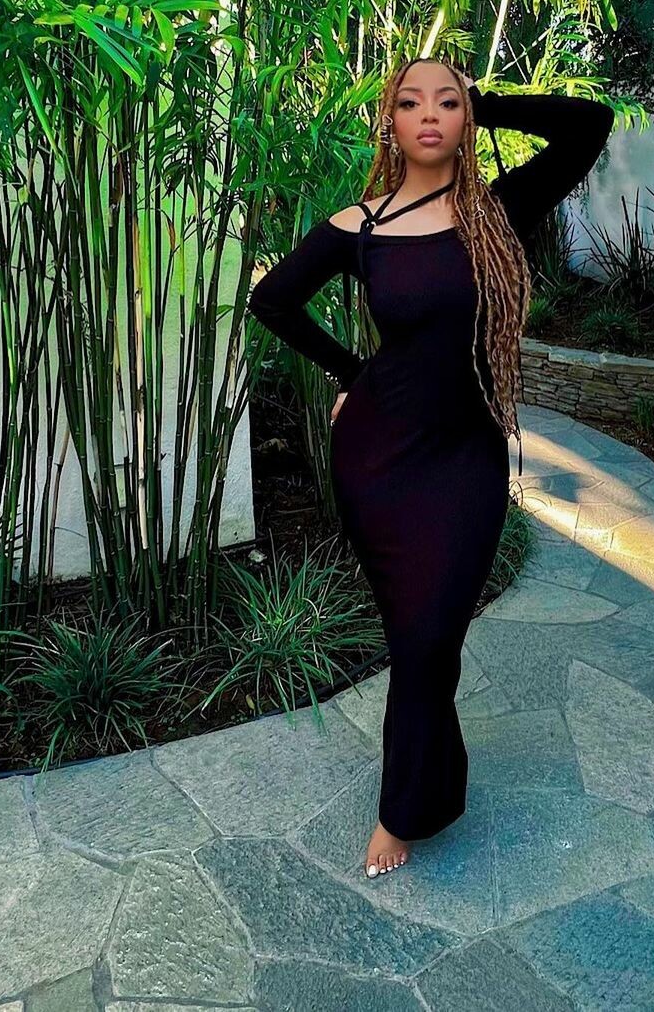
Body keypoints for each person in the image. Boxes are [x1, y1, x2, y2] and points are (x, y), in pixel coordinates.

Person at [248, 56, 616, 880]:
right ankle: (414, 799)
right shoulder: (360, 226)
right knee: (418, 640)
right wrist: (353, 374)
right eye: (410, 101)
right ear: (390, 120)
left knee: (432, 636)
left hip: (466, 458)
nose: (429, 114)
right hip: (378, 457)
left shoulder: (497, 212)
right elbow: (271, 301)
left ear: (463, 121)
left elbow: (588, 127)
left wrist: (489, 99)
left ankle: (413, 798)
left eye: (447, 103)